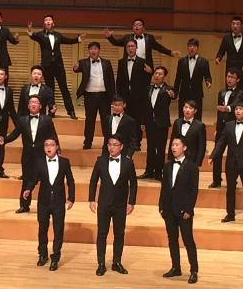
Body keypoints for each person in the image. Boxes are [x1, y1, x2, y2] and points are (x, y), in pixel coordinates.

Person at [22, 137, 75, 271]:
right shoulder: (39, 162)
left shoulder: (64, 162)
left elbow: (70, 181)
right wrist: (28, 189)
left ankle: (55, 258)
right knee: (42, 229)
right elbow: (33, 179)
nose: (49, 147)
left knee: (58, 230)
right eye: (46, 145)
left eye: (51, 145)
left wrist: (71, 198)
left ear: (57, 147)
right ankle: (42, 255)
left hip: (58, 202)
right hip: (43, 202)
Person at [88, 134, 137, 276]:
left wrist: (131, 202)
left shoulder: (128, 163)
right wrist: (92, 199)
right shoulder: (100, 161)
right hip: (104, 204)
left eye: (115, 145)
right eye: (109, 144)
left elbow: (133, 184)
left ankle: (116, 262)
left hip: (120, 205)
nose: (112, 147)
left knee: (119, 234)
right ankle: (101, 264)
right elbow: (93, 181)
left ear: (121, 147)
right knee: (102, 234)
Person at [0, 95, 57, 214]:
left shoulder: (47, 119)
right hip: (28, 156)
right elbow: (14, 134)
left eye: (36, 102)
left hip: (42, 156)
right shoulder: (22, 120)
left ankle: (48, 206)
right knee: (26, 181)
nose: (33, 104)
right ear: (28, 106)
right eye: (31, 102)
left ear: (40, 106)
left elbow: (52, 135)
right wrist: (5, 140)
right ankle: (24, 205)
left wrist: (56, 149)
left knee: (46, 182)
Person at [208, 101, 243, 224]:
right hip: (231, 163)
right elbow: (221, 142)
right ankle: (230, 214)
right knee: (230, 190)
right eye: (236, 109)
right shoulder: (229, 125)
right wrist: (213, 155)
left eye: (240, 109)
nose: (237, 111)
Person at [159, 135, 199, 284]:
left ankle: (194, 270)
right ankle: (176, 267)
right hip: (168, 210)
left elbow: (193, 191)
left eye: (177, 144)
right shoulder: (167, 166)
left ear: (184, 147)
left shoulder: (192, 167)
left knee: (188, 240)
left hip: (184, 211)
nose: (173, 147)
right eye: (172, 145)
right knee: (172, 239)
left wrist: (189, 209)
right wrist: (161, 207)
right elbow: (164, 188)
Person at [27, 15, 82, 118]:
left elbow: (68, 40)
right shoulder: (40, 35)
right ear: (44, 24)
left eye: (49, 20)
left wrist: (78, 39)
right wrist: (30, 31)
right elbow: (33, 36)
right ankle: (52, 111)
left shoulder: (58, 35)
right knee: (50, 90)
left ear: (53, 23)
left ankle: (71, 111)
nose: (48, 21)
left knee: (64, 88)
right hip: (47, 66)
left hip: (58, 66)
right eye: (46, 20)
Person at [72, 41, 115, 149]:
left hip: (104, 96)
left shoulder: (107, 63)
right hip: (90, 96)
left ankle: (107, 142)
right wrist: (75, 68)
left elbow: (111, 80)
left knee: (106, 121)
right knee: (90, 120)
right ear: (89, 51)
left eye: (95, 48)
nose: (93, 51)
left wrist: (113, 96)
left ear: (99, 50)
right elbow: (76, 69)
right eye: (91, 49)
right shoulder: (83, 62)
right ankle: (88, 142)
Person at [209, 70, 243, 188]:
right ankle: (216, 180)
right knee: (217, 154)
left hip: (233, 128)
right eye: (228, 76)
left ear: (238, 80)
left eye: (232, 77)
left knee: (233, 156)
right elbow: (219, 112)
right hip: (221, 128)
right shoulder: (221, 92)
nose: (229, 79)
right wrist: (217, 128)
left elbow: (237, 104)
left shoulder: (241, 93)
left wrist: (228, 108)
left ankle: (232, 180)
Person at [142, 67, 175, 179]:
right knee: (150, 148)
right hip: (150, 123)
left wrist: (173, 95)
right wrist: (143, 122)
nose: (157, 76)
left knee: (160, 149)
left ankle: (159, 173)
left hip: (162, 123)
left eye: (160, 74)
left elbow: (174, 95)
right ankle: (148, 171)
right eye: (156, 73)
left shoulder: (168, 89)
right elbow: (145, 107)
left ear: (164, 76)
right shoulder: (148, 88)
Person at [105, 18, 173, 63]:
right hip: (130, 65)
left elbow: (159, 47)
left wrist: (170, 52)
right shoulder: (127, 37)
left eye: (139, 25)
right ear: (132, 28)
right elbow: (116, 43)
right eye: (134, 25)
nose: (136, 27)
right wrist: (110, 37)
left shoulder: (149, 38)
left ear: (143, 28)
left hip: (145, 67)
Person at [173, 38, 212, 109]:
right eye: (190, 46)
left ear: (197, 48)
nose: (192, 48)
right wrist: (176, 92)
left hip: (197, 94)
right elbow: (178, 78)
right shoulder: (181, 61)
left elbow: (207, 76)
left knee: (197, 114)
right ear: (187, 47)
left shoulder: (204, 61)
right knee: (182, 113)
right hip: (183, 93)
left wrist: (208, 82)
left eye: (194, 46)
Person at [214, 15, 243, 82]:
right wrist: (218, 58)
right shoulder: (226, 37)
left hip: (242, 69)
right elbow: (221, 51)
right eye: (233, 24)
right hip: (230, 69)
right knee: (229, 87)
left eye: (237, 24)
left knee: (242, 87)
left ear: (241, 25)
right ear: (231, 25)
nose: (235, 26)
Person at [172, 100, 207, 168]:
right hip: (177, 158)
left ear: (195, 111)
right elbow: (172, 140)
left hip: (192, 160)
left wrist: (197, 163)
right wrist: (171, 158)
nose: (187, 110)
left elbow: (202, 146)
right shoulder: (177, 122)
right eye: (186, 107)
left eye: (190, 108)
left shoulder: (200, 126)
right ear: (183, 109)